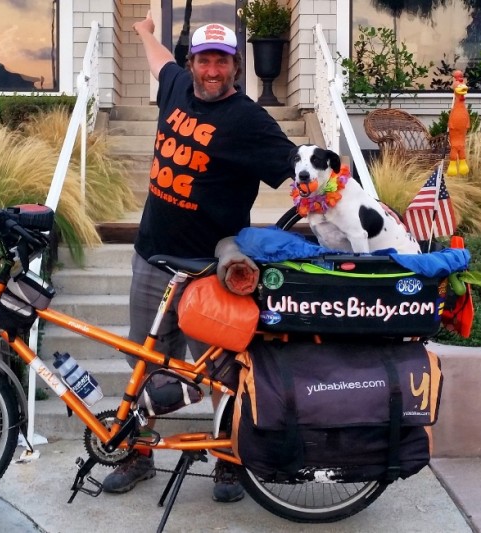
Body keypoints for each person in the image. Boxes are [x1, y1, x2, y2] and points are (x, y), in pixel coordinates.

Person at [102, 12, 296, 503]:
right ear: (192, 63)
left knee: (223, 371)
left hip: (208, 270)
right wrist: (144, 32)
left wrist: (344, 200)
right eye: (204, 60)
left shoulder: (249, 120)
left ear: (236, 67)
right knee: (145, 362)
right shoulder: (174, 87)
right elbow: (158, 61)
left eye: (221, 62)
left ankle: (229, 460)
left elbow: (299, 167)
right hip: (152, 257)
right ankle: (138, 454)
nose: (212, 71)